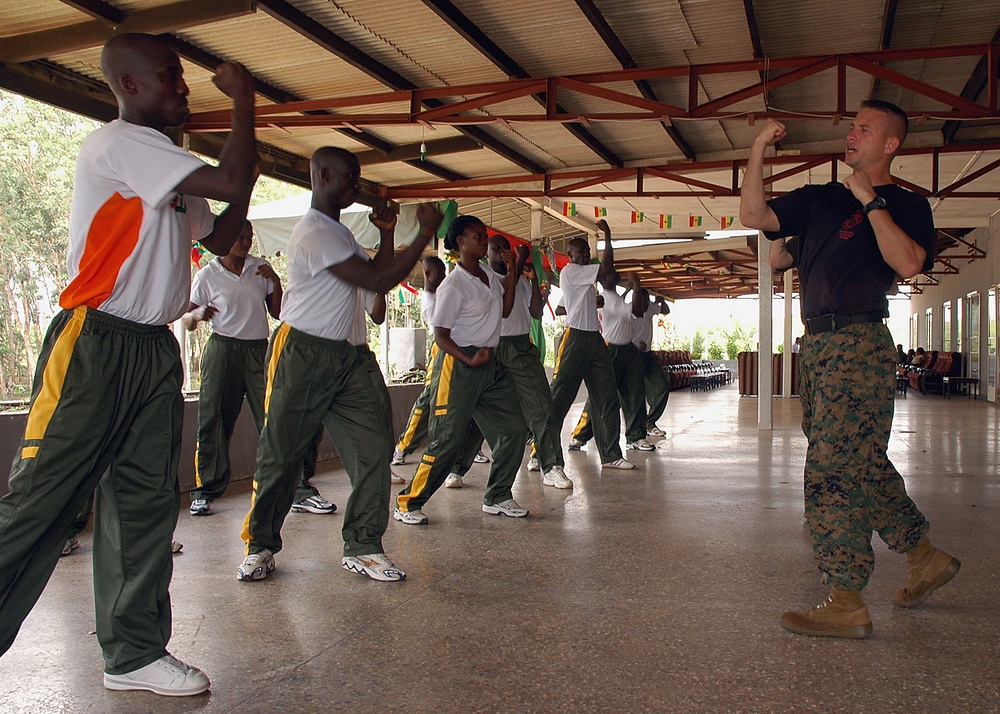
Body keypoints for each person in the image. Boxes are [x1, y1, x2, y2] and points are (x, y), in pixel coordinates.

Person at [0, 33, 257, 696]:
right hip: (93, 343)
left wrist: (244, 173)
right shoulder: (118, 144)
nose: (183, 87)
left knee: (144, 504)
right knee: (40, 501)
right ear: (131, 86)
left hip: (152, 350)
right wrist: (244, 106)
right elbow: (229, 176)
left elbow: (221, 232)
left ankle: (133, 653)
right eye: (171, 76)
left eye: (182, 76)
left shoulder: (167, 164)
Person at [740, 100, 960, 639]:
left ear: (890, 145)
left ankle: (846, 596)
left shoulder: (907, 205)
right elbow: (756, 219)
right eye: (852, 127)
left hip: (859, 342)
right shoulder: (820, 199)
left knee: (832, 470)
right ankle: (923, 554)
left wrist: (872, 202)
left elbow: (907, 264)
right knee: (858, 459)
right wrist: (758, 150)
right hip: (817, 347)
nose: (852, 135)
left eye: (865, 128)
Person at [237, 146, 440, 583]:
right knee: (281, 453)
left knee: (374, 448)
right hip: (303, 352)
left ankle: (363, 544)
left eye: (358, 178)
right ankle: (260, 544)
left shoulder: (343, 235)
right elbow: (376, 279)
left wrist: (387, 234)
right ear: (323, 176)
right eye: (349, 177)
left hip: (350, 359)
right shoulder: (314, 232)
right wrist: (423, 235)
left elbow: (376, 289)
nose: (356, 186)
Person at [183, 221, 335, 516]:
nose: (245, 241)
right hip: (223, 349)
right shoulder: (208, 275)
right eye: (239, 236)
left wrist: (276, 281)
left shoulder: (259, 268)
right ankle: (205, 491)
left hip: (257, 351)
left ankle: (297, 490)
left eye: (248, 237)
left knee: (276, 418)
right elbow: (187, 321)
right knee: (213, 419)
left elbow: (278, 313)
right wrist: (199, 314)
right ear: (225, 238)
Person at [394, 215, 530, 525]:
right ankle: (408, 502)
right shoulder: (453, 285)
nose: (484, 241)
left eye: (485, 236)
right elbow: (440, 335)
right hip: (459, 363)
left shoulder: (484, 273)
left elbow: (506, 309)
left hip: (489, 362)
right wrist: (468, 360)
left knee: (514, 429)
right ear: (460, 243)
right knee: (447, 440)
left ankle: (497, 496)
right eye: (477, 236)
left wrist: (513, 270)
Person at [487, 235, 572, 489]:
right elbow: (503, 299)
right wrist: (519, 261)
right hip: (490, 348)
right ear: (486, 254)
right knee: (475, 409)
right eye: (496, 249)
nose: (502, 253)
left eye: (505, 249)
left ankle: (551, 466)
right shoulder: (486, 279)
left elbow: (535, 312)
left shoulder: (522, 279)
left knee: (542, 406)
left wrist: (535, 282)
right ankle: (456, 467)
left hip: (521, 346)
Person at [549, 220, 634, 470]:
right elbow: (607, 269)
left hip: (595, 340)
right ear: (569, 255)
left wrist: (589, 302)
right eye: (580, 251)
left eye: (587, 250)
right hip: (575, 338)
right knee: (560, 397)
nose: (585, 254)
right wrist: (607, 236)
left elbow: (563, 306)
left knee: (607, 398)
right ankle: (539, 452)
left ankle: (610, 455)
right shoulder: (570, 271)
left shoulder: (583, 280)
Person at [568, 271, 655, 452]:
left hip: (628, 350)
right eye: (608, 272)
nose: (613, 273)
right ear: (602, 279)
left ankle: (636, 436)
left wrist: (627, 291)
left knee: (635, 393)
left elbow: (621, 306)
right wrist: (637, 285)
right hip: (610, 350)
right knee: (600, 397)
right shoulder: (601, 298)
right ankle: (579, 435)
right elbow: (637, 310)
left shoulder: (615, 298)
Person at [392, 256, 446, 466]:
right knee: (428, 400)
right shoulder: (429, 300)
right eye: (438, 274)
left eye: (443, 274)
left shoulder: (441, 294)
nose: (442, 278)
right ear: (427, 275)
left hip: (457, 349)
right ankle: (403, 447)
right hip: (441, 351)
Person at [631, 284, 671, 438]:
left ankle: (650, 423)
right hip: (633, 356)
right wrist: (634, 346)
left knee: (662, 387)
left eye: (647, 300)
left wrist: (661, 301)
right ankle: (634, 432)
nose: (646, 303)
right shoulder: (628, 310)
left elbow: (666, 311)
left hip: (648, 356)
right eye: (643, 300)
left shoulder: (651, 308)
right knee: (635, 394)